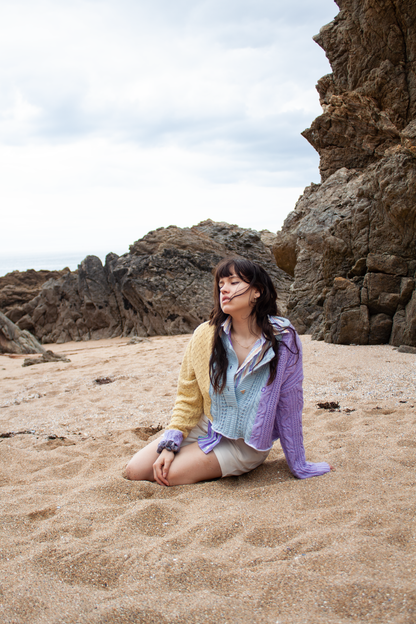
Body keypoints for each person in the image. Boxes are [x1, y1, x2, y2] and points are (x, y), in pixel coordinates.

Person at [124, 257, 331, 486]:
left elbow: (289, 404)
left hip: (244, 445)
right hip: (207, 425)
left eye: (233, 282)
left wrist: (298, 463)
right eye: (221, 284)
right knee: (135, 470)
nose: (224, 289)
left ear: (257, 291)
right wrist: (171, 443)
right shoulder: (205, 335)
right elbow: (187, 397)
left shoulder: (283, 338)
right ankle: (190, 451)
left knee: (166, 476)